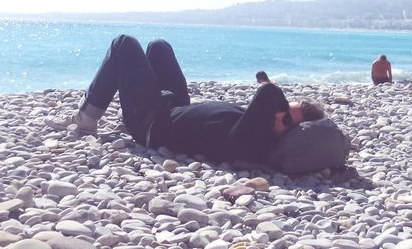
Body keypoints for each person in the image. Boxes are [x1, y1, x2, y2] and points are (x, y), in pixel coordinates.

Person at [67, 35, 324, 164]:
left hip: (150, 123)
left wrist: (274, 91)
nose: (279, 114)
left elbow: (267, 93)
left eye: (287, 119)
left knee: (124, 43)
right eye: (283, 109)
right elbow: (267, 99)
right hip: (172, 106)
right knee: (159, 46)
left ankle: (87, 117)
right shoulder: (260, 125)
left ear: (291, 135)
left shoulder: (254, 142)